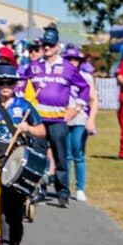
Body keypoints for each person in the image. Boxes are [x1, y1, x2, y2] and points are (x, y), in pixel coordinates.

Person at [0, 63, 46, 245]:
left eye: (10, 82)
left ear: (16, 84)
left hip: (16, 158)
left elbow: (42, 131)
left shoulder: (24, 106)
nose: (5, 86)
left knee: (15, 207)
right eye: (1, 82)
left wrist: (27, 128)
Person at [23, 27, 91, 208]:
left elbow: (84, 88)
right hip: (37, 120)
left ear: (57, 46)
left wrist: (76, 109)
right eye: (44, 44)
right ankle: (39, 189)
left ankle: (63, 192)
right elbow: (22, 84)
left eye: (50, 45)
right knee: (37, 156)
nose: (47, 48)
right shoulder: (34, 66)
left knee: (61, 157)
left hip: (58, 119)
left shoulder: (68, 67)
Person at [63, 46, 99, 201]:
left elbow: (93, 99)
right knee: (65, 154)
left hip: (80, 118)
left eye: (75, 59)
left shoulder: (86, 77)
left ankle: (79, 188)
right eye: (69, 59)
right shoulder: (61, 75)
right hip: (63, 117)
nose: (73, 62)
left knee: (78, 152)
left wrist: (91, 119)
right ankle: (65, 187)